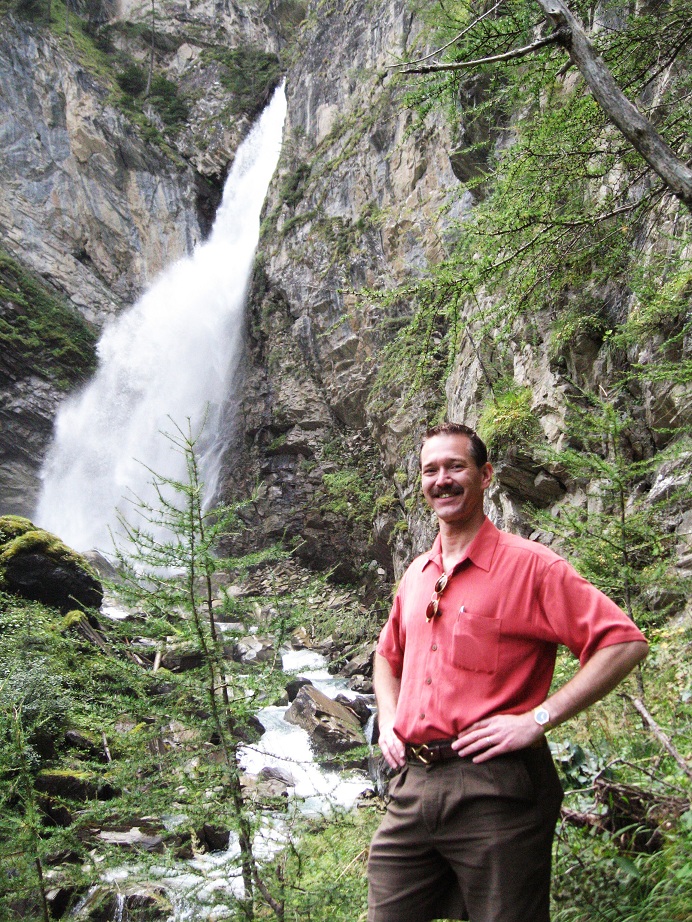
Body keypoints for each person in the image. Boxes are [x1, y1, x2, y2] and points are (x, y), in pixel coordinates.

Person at [368, 422, 648, 922]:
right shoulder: (416, 574)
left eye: (455, 466)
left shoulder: (532, 567)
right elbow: (387, 657)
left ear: (485, 475)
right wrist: (388, 720)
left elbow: (623, 642)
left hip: (495, 787)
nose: (442, 479)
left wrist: (538, 719)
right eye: (430, 470)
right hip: (412, 783)